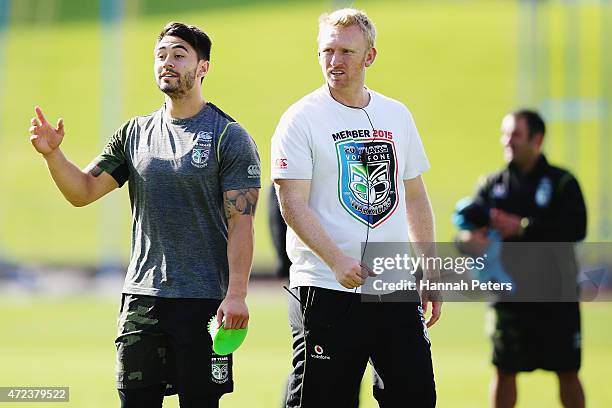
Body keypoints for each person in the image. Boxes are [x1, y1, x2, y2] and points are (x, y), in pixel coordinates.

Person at [28, 22, 260, 408]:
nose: (167, 62)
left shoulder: (228, 136)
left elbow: (242, 224)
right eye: (161, 55)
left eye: (179, 55)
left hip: (202, 302)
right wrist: (53, 155)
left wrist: (236, 295)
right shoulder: (134, 133)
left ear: (203, 67)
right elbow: (83, 192)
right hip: (141, 300)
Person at [271, 8, 440, 407]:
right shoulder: (300, 119)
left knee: (416, 397)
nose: (335, 61)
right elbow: (291, 203)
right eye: (327, 51)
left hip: (392, 285)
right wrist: (335, 259)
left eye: (346, 51)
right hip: (326, 286)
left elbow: (415, 195)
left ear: (370, 56)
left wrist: (430, 268)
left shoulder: (396, 114)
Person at [458, 110, 587, 408]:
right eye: (505, 134)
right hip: (508, 298)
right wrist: (468, 242)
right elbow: (466, 233)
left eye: (515, 134)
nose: (507, 141)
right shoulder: (491, 184)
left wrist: (522, 227)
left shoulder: (563, 183)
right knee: (504, 371)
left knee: (567, 371)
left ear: (537, 139)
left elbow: (576, 229)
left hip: (556, 296)